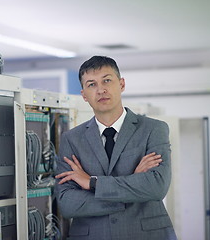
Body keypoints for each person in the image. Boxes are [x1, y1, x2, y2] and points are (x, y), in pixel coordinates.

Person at [55, 56, 177, 240]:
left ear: (121, 84)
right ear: (84, 95)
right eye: (91, 84)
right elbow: (68, 204)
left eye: (107, 80)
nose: (101, 89)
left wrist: (92, 183)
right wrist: (134, 184)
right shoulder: (72, 139)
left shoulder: (154, 129)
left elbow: (157, 187)